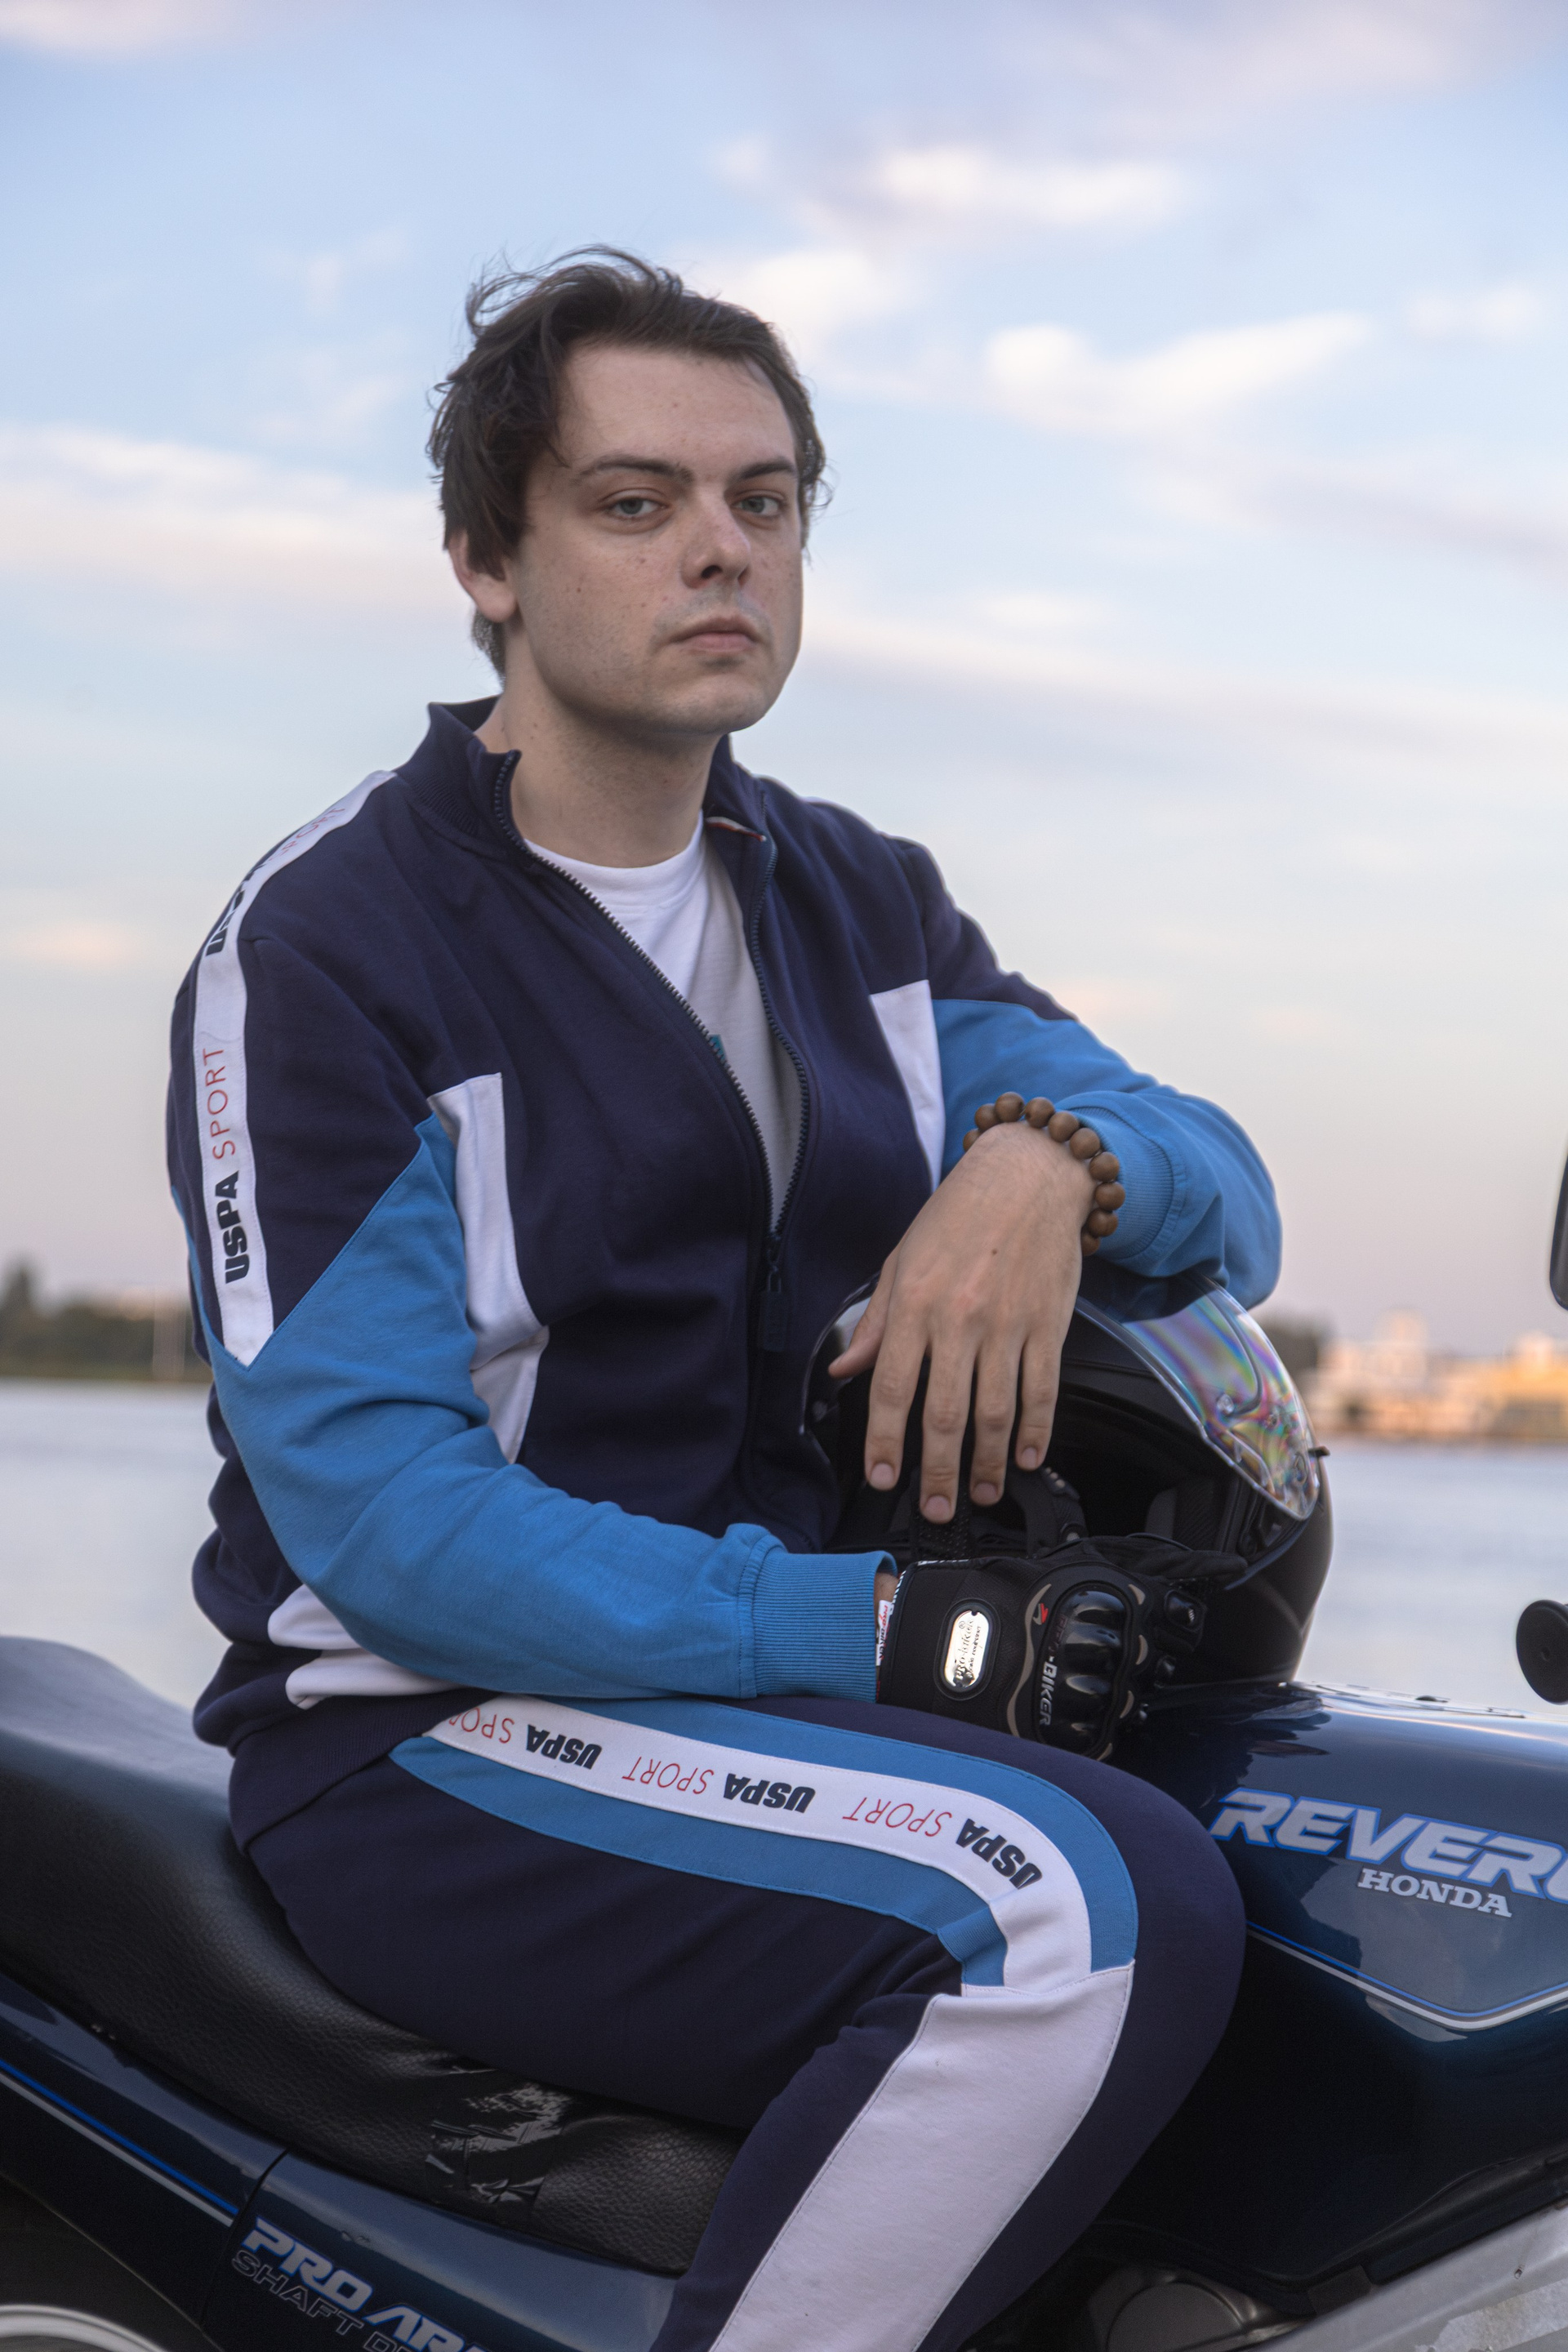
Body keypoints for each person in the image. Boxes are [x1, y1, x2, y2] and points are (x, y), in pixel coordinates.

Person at [169, 251, 1277, 2352]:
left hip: (775, 1716)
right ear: (487, 561)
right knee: (1074, 1916)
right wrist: (870, 1626)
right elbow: (386, 1525)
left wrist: (1051, 1166)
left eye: (764, 503)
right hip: (418, 1742)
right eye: (636, 501)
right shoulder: (329, 951)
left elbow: (1228, 1188)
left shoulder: (854, 897)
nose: (721, 550)